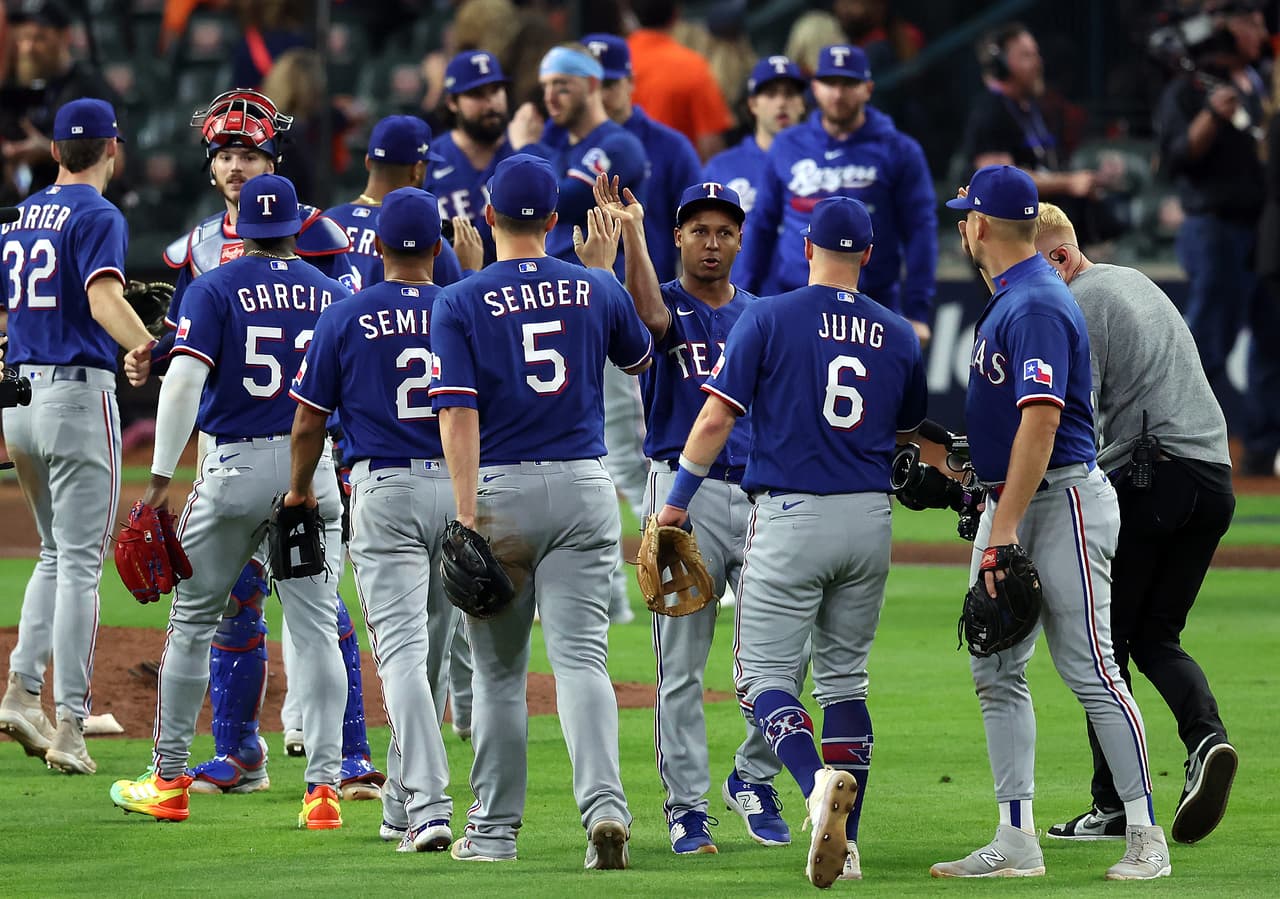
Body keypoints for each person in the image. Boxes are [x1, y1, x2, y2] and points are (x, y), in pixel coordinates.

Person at [653, 196, 926, 886]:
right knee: (843, 682)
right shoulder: (898, 333)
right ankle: (848, 847)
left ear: (807, 248)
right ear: (868, 255)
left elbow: (715, 419)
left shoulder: (769, 316)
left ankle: (812, 784)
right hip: (870, 519)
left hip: (791, 513)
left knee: (761, 682)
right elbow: (905, 433)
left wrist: (674, 506)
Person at [931, 165, 1168, 880]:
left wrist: (1002, 528)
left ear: (981, 225)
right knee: (994, 667)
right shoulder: (1014, 295)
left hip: (1060, 500)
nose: (962, 225)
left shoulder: (1033, 300)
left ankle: (1146, 836)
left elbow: (1041, 422)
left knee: (1091, 666)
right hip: (1016, 500)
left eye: (966, 215)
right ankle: (1016, 838)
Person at [156, 88, 384, 801]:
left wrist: (159, 476)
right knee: (276, 607)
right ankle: (259, 758)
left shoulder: (311, 239)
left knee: (224, 612)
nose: (235, 165)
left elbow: (191, 368)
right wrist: (151, 353)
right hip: (299, 460)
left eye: (248, 154)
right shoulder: (220, 249)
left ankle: (343, 756)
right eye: (225, 153)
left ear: (272, 161)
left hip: (247, 456)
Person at [428, 154, 652, 868]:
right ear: (554, 220)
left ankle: (494, 833)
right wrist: (603, 270)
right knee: (583, 660)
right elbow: (641, 357)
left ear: (489, 215)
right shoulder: (595, 285)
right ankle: (606, 808)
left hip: (502, 492)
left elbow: (458, 414)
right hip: (586, 486)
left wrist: (466, 514)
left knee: (498, 676)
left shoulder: (459, 299)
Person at [109, 173, 348, 828]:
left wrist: (160, 480)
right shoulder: (333, 293)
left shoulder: (214, 286)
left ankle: (168, 780)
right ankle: (323, 791)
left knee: (192, 621)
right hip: (312, 471)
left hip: (236, 467)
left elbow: (183, 380)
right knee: (316, 631)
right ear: (296, 228)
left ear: (241, 229)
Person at [593, 174, 791, 855]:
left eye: (724, 231)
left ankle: (753, 777)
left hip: (760, 493)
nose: (712, 242)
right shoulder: (662, 302)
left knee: (782, 654)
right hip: (682, 492)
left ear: (740, 240)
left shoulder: (762, 315)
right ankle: (686, 808)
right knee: (680, 665)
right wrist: (632, 233)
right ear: (677, 237)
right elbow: (648, 320)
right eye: (699, 230)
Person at [1033, 202, 1238, 846]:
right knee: (1155, 637)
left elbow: (1071, 417)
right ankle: (1206, 739)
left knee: (1104, 648)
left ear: (1059, 257)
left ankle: (1114, 806)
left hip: (1155, 476)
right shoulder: (1134, 280)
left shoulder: (1079, 301)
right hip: (1212, 479)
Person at [287, 187, 459, 852]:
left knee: (403, 658)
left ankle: (429, 804)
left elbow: (308, 421)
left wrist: (298, 490)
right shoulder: (461, 305)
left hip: (384, 490)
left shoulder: (344, 312)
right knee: (434, 655)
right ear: (438, 247)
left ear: (377, 245)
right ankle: (400, 802)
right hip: (460, 489)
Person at [0, 98, 155, 774]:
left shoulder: (18, 217)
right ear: (112, 148)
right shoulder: (98, 213)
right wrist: (147, 344)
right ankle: (69, 725)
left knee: (55, 553)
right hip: (75, 396)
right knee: (81, 564)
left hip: (19, 398)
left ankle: (19, 692)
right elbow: (101, 300)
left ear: (56, 150)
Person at [739, 44, 936, 343]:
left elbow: (920, 230)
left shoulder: (899, 149)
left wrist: (917, 310)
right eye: (830, 83)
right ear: (815, 87)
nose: (838, 94)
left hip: (875, 301)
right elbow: (762, 226)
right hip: (795, 299)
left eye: (848, 84)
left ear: (868, 89)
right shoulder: (787, 145)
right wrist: (743, 297)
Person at [1154, 2, 1275, 475]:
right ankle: (1175, 446)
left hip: (1264, 228)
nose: (1262, 30)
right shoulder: (1188, 89)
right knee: (1207, 343)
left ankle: (1263, 449)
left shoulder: (1261, 79)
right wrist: (1211, 115)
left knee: (1273, 339)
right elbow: (1175, 157)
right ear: (1229, 26)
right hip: (1215, 227)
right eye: (1253, 22)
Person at [957, 23, 1117, 245]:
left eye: (1036, 54)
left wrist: (1091, 177)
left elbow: (1043, 167)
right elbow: (1001, 180)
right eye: (1026, 56)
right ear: (1001, 66)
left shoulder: (1031, 109)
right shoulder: (990, 112)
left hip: (1037, 230)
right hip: (1006, 241)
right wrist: (1068, 183)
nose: (1038, 63)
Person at [580, 32, 701, 284]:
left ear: (631, 82)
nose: (599, 97)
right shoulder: (556, 143)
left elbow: (696, 227)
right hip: (572, 292)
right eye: (590, 86)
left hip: (649, 290)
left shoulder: (670, 146)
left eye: (608, 85)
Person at [430, 50, 547, 267]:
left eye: (496, 90)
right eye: (476, 94)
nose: (490, 103)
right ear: (452, 102)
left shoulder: (526, 152)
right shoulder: (432, 159)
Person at [537, 43, 648, 271]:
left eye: (561, 86)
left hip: (605, 282)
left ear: (592, 84)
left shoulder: (620, 144)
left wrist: (525, 146)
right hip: (557, 280)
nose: (549, 97)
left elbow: (562, 201)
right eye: (545, 86)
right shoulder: (556, 143)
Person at [0, 0, 123, 204]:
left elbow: (116, 162)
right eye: (22, 38)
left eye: (39, 38)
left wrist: (48, 151)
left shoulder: (87, 88)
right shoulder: (17, 92)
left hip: (83, 211)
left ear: (65, 37)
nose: (28, 48)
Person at [325, 115, 468, 288]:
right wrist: (467, 269)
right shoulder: (424, 235)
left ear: (368, 162)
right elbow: (455, 302)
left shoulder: (327, 223)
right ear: (417, 169)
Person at [626, 0, 733, 160]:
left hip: (614, 172)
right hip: (675, 172)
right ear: (676, 15)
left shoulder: (613, 63)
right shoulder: (692, 66)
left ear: (631, 14)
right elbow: (710, 144)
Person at [702, 55, 808, 214]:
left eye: (790, 94)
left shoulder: (822, 162)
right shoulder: (720, 168)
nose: (781, 103)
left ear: (802, 103)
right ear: (752, 104)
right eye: (771, 94)